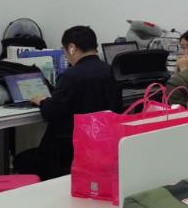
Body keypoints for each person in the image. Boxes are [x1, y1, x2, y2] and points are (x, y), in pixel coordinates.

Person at [14, 25, 120, 180]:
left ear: (72, 48)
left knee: (22, 160)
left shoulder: (71, 75)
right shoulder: (111, 71)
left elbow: (51, 113)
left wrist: (43, 101)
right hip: (100, 147)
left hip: (68, 151)